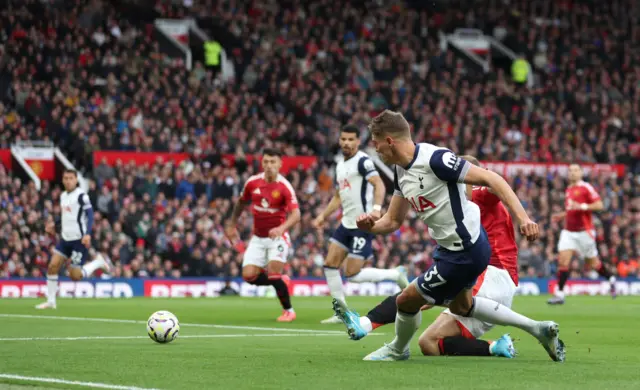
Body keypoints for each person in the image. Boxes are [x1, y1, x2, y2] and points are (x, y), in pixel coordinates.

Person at [352, 110, 564, 362]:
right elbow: (393, 220)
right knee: (459, 307)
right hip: (453, 250)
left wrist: (523, 218)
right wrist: (371, 227)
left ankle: (395, 347)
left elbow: (492, 178)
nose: (374, 150)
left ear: (389, 141)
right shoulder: (401, 172)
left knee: (408, 299)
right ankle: (536, 329)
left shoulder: (437, 160)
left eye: (375, 144)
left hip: (469, 252)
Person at [334, 155, 528, 359]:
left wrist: (524, 218)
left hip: (493, 274)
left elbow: (494, 183)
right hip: (481, 275)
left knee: (420, 294)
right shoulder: (459, 199)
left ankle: (367, 324)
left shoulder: (479, 192)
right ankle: (496, 347)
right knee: (429, 343)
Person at [312, 124, 408, 324]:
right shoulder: (340, 164)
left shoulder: (363, 161)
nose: (346, 143)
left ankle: (395, 274)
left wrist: (376, 209)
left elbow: (379, 184)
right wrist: (323, 215)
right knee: (330, 265)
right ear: (340, 141)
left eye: (350, 139)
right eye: (343, 139)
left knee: (352, 274)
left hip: (362, 224)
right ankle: (342, 312)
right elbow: (339, 196)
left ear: (357, 141)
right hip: (346, 223)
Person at [226, 148, 301, 322]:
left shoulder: (284, 187)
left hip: (277, 238)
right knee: (249, 276)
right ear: (262, 163)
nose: (269, 166)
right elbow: (240, 203)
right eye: (266, 161)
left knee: (273, 273)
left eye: (273, 162)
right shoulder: (252, 183)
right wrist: (231, 225)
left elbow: (296, 215)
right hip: (258, 238)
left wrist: (281, 229)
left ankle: (289, 311)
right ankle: (282, 281)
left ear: (280, 164)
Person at [36, 169, 113, 309]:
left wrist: (88, 234)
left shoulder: (81, 196)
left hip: (79, 240)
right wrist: (55, 225)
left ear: (76, 180)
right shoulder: (63, 196)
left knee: (75, 276)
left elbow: (90, 215)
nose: (68, 181)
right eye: (65, 178)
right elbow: (67, 216)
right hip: (65, 239)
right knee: (53, 266)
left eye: (71, 178)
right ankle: (51, 301)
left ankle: (97, 263)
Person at [548, 164, 616, 304]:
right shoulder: (569, 189)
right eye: (570, 171)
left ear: (581, 173)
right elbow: (571, 210)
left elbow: (599, 205)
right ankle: (560, 295)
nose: (572, 173)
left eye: (575, 170)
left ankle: (610, 278)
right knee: (563, 261)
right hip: (568, 232)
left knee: (593, 264)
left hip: (584, 232)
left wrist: (583, 206)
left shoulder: (586, 187)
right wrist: (561, 215)